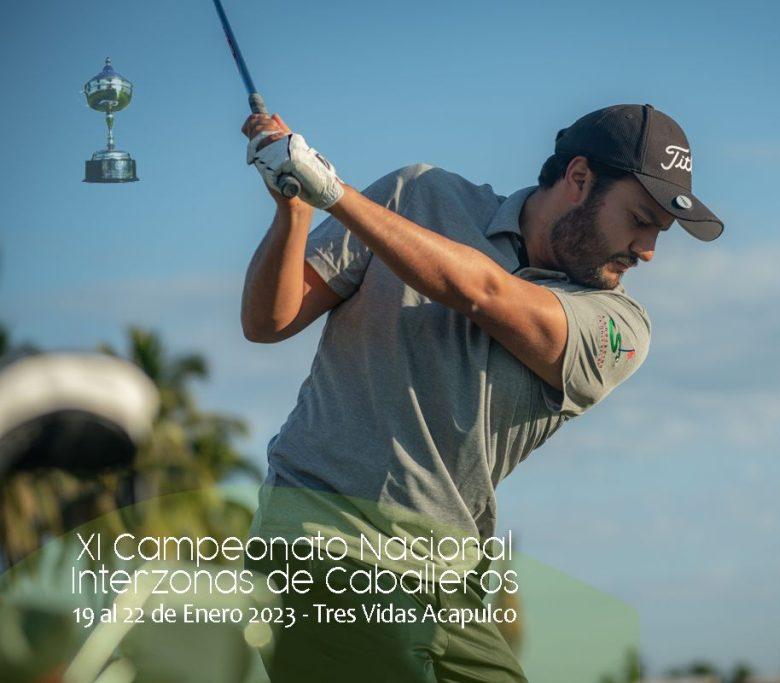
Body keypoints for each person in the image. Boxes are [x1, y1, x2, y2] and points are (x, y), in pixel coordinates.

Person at [239, 103, 723, 682]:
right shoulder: (417, 195)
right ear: (578, 178)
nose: (647, 250)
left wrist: (333, 192)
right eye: (640, 220)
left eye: (659, 232)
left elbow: (483, 292)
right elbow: (268, 320)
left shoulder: (620, 327)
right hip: (324, 544)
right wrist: (295, 206)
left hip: (451, 584)